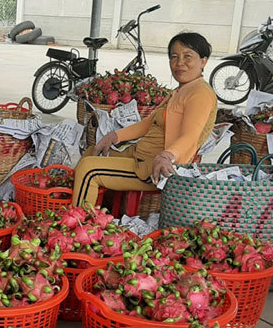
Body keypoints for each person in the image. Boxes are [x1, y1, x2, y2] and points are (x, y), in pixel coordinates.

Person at [72, 32, 218, 207]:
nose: (179, 63)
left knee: (89, 169)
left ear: (204, 61)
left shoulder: (200, 93)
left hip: (155, 168)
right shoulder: (180, 90)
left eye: (188, 57)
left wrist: (166, 157)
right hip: (139, 156)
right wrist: (114, 136)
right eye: (174, 57)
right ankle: (103, 211)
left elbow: (190, 136)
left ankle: (78, 222)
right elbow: (148, 123)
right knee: (91, 152)